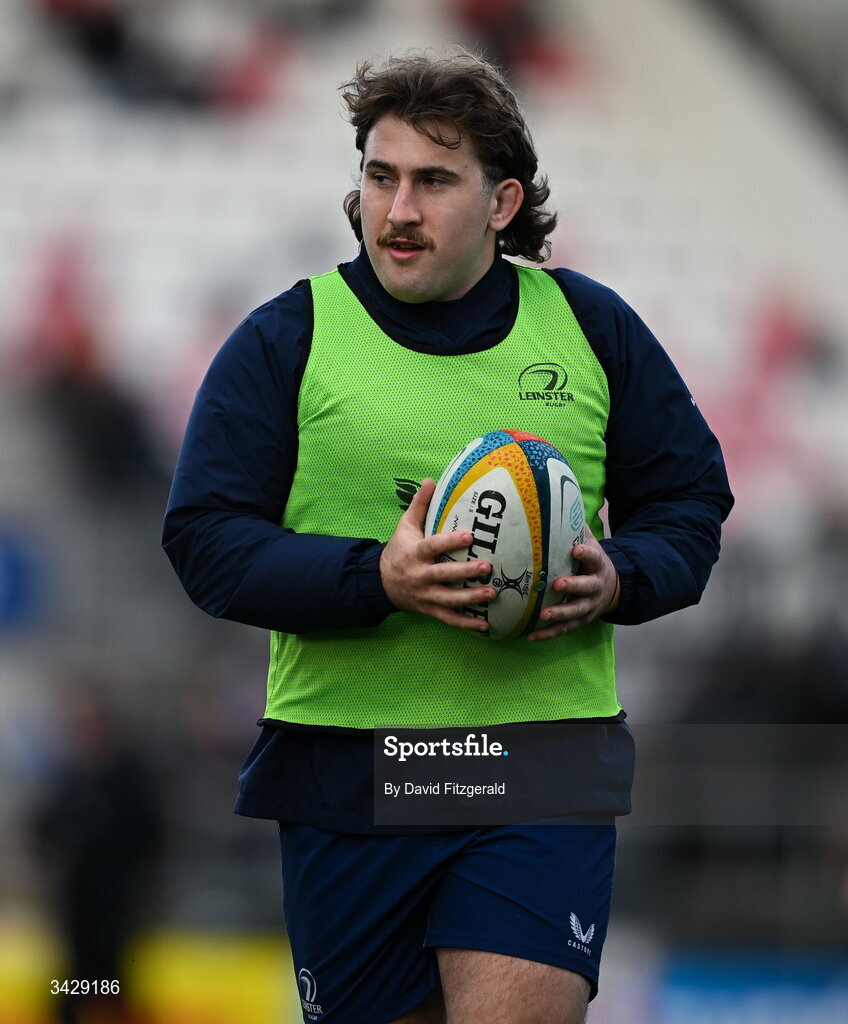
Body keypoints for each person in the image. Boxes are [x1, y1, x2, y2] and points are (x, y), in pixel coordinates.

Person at [163, 49, 733, 1024]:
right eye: (379, 177)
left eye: (432, 181)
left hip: (535, 763)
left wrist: (618, 577)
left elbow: (688, 505)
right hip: (351, 770)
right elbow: (206, 542)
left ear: (502, 201)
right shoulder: (286, 338)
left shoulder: (591, 328)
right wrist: (374, 577)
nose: (397, 209)